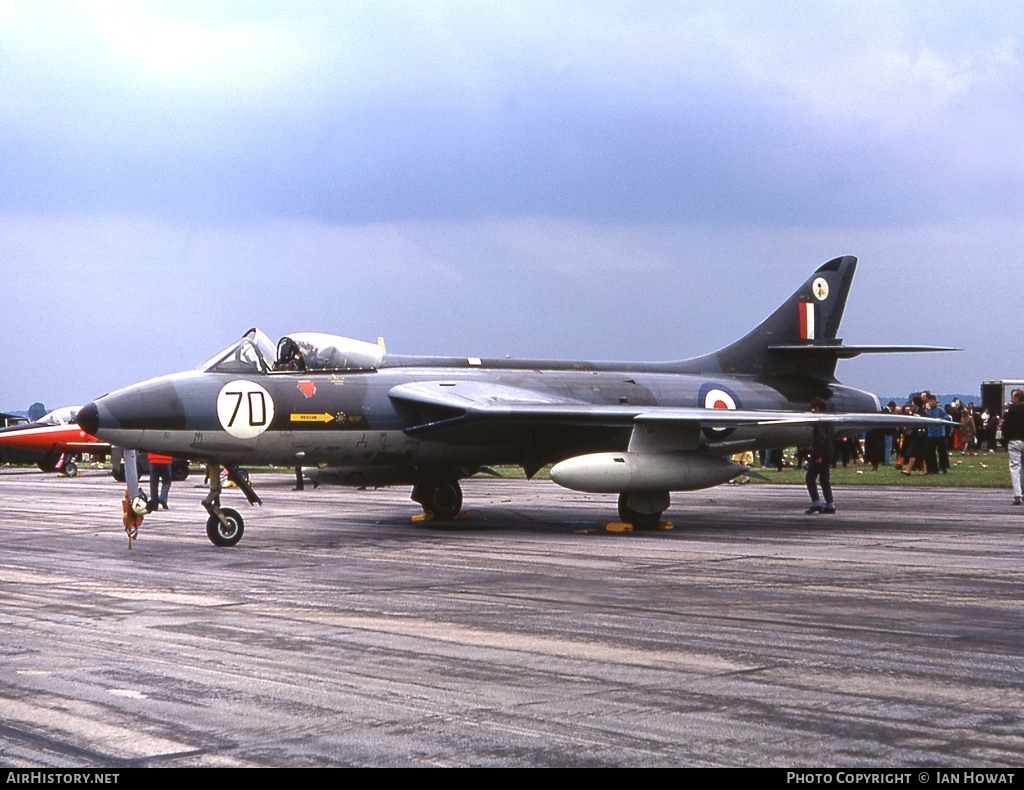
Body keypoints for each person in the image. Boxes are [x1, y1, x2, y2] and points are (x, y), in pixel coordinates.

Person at [805, 397, 835, 514]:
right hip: (828, 453)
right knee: (824, 479)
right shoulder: (829, 421)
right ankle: (830, 504)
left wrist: (817, 455)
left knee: (810, 478)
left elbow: (820, 439)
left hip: (820, 454)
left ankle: (816, 503)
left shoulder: (819, 422)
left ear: (817, 408)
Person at [1002, 389, 1024, 506]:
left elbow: (1005, 427)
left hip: (1014, 441)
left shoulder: (1011, 411)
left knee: (1015, 468)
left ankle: (1017, 495)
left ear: (1017, 398)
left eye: (1012, 397)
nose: (1011, 399)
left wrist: (1006, 440)